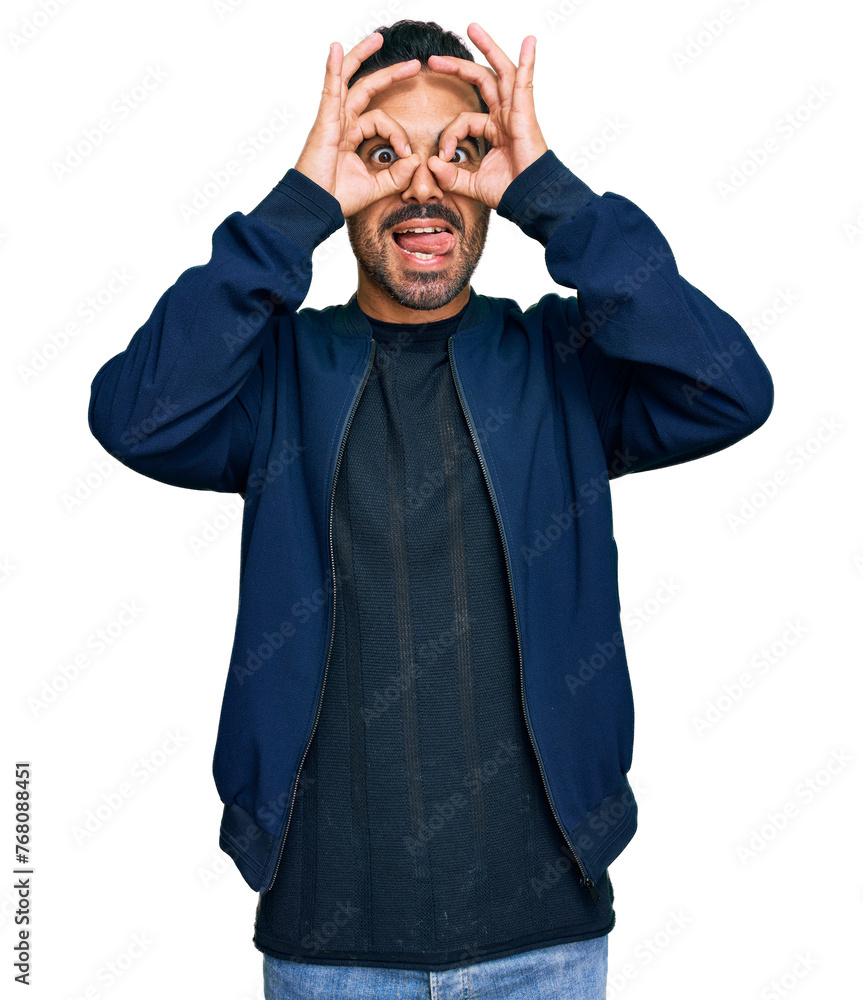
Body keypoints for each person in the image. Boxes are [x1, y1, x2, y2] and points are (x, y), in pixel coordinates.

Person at [87, 19, 774, 1000]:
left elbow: (729, 388)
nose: (420, 188)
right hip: (330, 948)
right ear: (339, 177)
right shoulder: (276, 373)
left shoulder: (564, 363)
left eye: (461, 153)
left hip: (541, 939)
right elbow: (134, 416)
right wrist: (294, 209)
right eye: (378, 154)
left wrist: (552, 197)